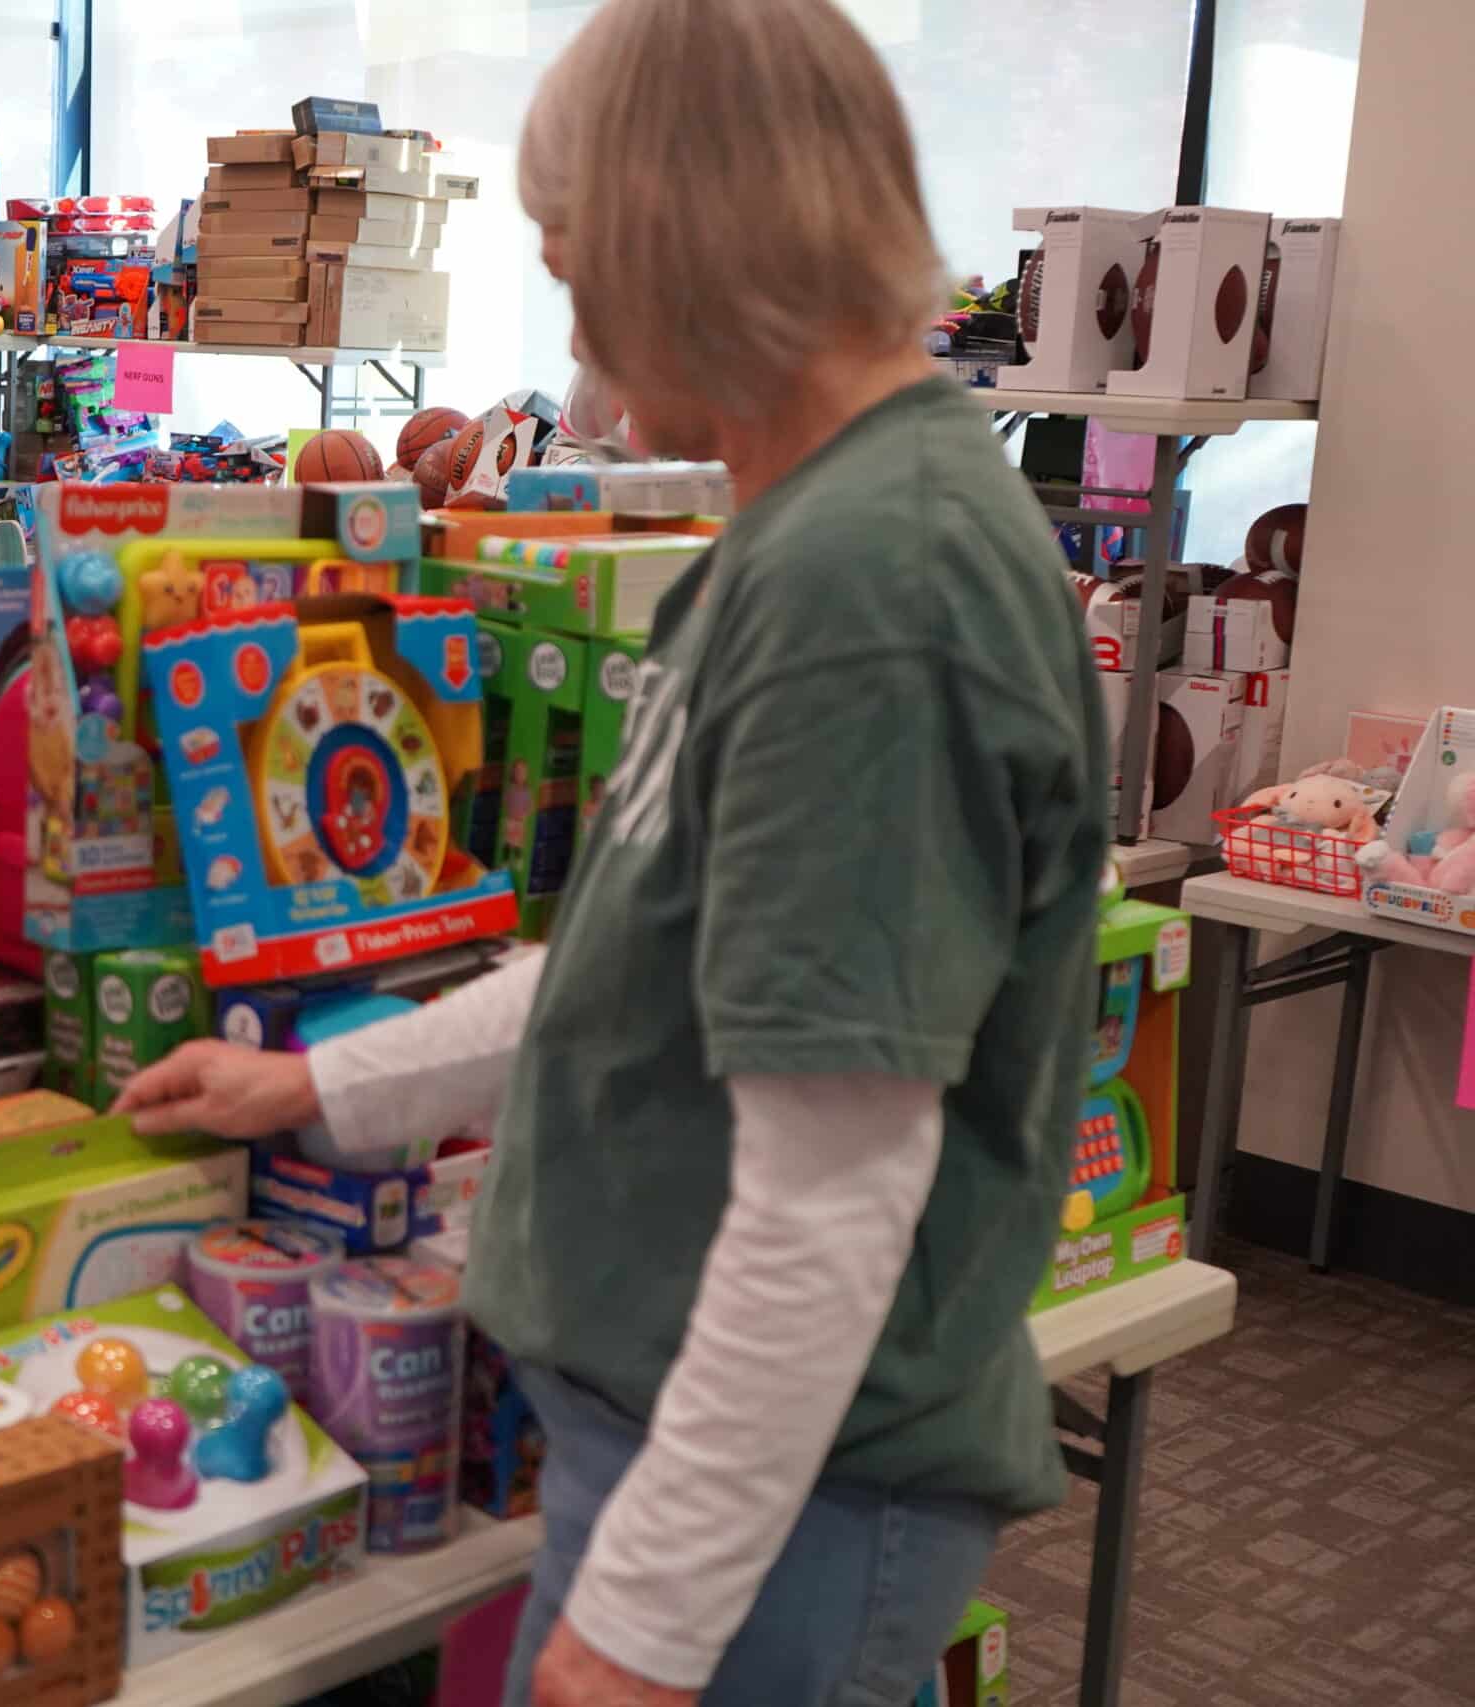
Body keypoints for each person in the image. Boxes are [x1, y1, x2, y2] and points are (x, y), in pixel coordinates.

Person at [114, 2, 1109, 1703]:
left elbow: (831, 1180)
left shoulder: (872, 586)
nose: (572, 326)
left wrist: (636, 1637)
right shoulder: (807, 530)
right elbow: (647, 967)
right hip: (705, 1473)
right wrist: (326, 1084)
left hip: (778, 1506)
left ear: (676, 243)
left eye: (574, 265)